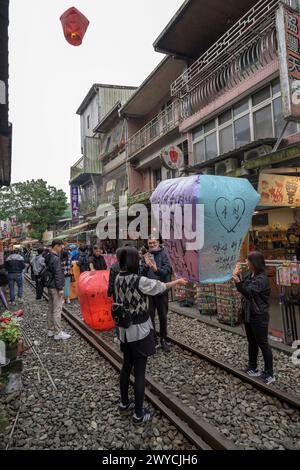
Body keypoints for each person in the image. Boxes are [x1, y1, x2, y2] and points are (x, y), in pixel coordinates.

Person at [116, 246, 187, 424]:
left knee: (126, 367)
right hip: (139, 331)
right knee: (140, 372)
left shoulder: (118, 278)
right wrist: (177, 282)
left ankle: (125, 404)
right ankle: (139, 414)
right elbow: (160, 286)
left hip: (124, 332)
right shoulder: (138, 280)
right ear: (133, 261)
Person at [233, 251, 274, 385]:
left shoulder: (262, 279)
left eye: (248, 260)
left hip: (259, 315)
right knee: (252, 341)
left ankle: (269, 373)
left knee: (263, 344)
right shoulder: (251, 275)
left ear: (253, 263)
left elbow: (248, 292)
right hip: (249, 313)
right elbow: (243, 286)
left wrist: (238, 281)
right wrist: (237, 275)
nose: (246, 262)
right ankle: (253, 367)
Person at [139, 237, 172, 352]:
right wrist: (146, 265)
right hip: (149, 292)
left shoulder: (165, 254)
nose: (152, 244)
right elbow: (141, 273)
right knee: (150, 316)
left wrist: (155, 269)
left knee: (163, 316)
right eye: (150, 243)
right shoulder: (146, 256)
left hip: (162, 291)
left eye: (154, 242)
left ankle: (163, 339)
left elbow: (167, 271)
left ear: (158, 243)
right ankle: (153, 339)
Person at [44, 240, 71, 341]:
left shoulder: (47, 256)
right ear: (56, 246)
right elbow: (58, 273)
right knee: (57, 309)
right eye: (60, 247)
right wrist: (60, 288)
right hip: (55, 286)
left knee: (50, 308)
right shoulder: (55, 258)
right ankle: (58, 332)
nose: (61, 249)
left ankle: (50, 330)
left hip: (50, 285)